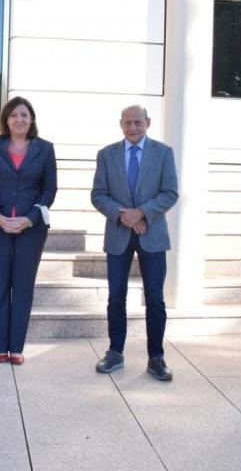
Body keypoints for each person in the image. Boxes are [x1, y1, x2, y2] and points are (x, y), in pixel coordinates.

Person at [91, 105, 179, 381]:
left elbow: (170, 192)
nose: (132, 127)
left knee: (155, 298)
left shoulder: (163, 153)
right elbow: (98, 195)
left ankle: (156, 357)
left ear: (148, 123)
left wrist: (141, 214)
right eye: (127, 123)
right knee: (116, 297)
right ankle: (115, 352)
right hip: (118, 236)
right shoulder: (106, 155)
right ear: (121, 125)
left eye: (138, 122)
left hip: (152, 235)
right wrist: (124, 216)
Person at [0, 97, 57, 365]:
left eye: (24, 115)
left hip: (31, 230)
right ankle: (0, 346)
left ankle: (17, 347)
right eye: (13, 115)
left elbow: (49, 190)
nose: (19, 119)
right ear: (6, 120)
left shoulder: (45, 149)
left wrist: (29, 219)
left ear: (31, 119)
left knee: (22, 286)